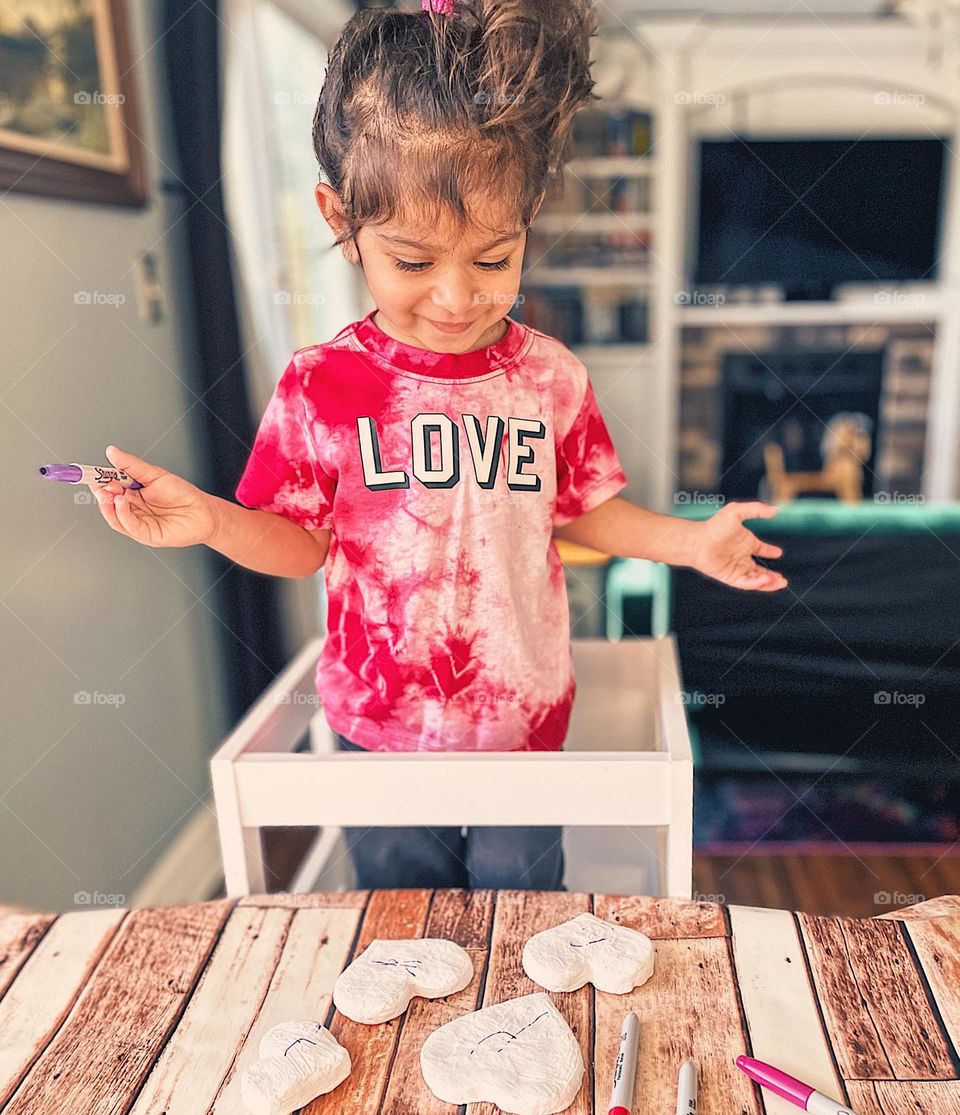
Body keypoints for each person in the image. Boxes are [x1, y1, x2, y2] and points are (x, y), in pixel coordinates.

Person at [90, 0, 787, 892]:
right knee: (403, 925)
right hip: (376, 725)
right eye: (414, 262)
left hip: (523, 721)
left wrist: (693, 542)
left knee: (519, 914)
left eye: (493, 259)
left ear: (530, 217)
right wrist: (211, 521)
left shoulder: (552, 377)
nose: (458, 297)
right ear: (339, 218)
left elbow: (588, 509)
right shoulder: (321, 385)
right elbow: (302, 545)